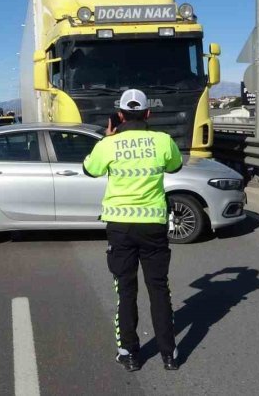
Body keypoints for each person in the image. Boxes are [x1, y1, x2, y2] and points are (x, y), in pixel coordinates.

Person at [83, 89, 183, 373]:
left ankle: (129, 353)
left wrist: (108, 138)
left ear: (121, 115)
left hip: (120, 227)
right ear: (149, 113)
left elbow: (90, 169)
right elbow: (175, 166)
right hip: (153, 225)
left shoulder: (108, 144)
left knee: (125, 290)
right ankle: (169, 355)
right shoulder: (162, 141)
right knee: (159, 289)